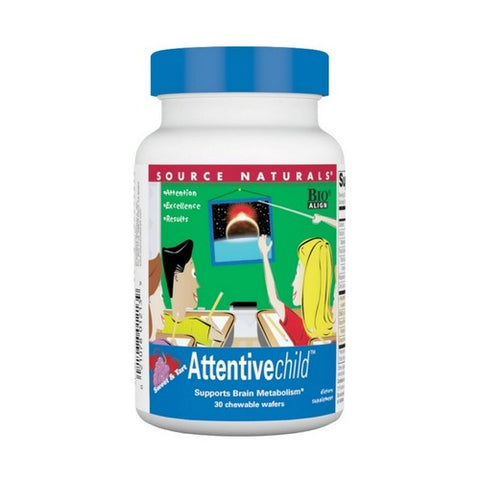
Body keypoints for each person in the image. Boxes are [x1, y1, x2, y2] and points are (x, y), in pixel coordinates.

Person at [258, 235, 334, 345]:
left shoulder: (300, 331)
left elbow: (273, 299)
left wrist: (265, 255)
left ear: (309, 282)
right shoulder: (332, 328)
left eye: (298, 273)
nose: (293, 283)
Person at [161, 240, 223, 346]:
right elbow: (221, 338)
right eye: (193, 274)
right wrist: (211, 324)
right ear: (177, 277)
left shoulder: (160, 321)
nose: (197, 285)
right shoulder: (196, 325)